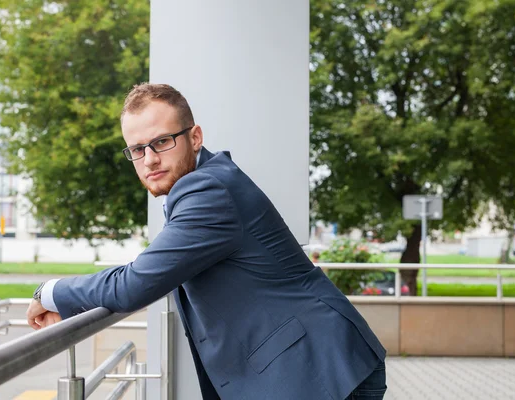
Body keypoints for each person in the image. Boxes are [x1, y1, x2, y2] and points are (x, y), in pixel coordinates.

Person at [26, 83, 387, 400]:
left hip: (318, 372)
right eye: (137, 149)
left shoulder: (207, 190)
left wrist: (50, 291)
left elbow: (136, 283)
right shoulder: (204, 184)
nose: (149, 159)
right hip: (307, 367)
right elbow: (155, 271)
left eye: (162, 142)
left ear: (195, 137)